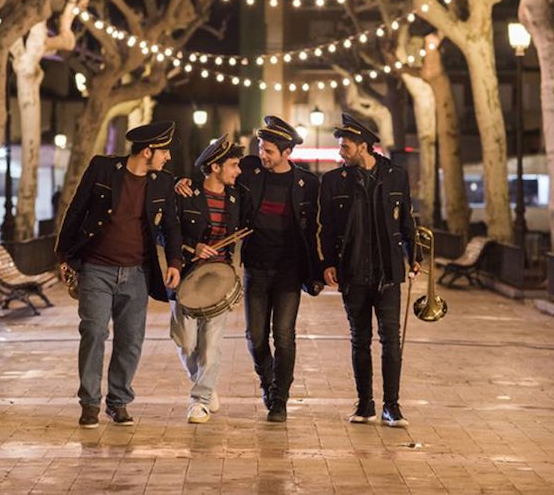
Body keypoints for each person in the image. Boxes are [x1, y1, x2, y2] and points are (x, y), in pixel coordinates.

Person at [180, 116, 322, 422]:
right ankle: (268, 381)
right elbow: (214, 171)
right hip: (256, 267)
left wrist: (320, 269)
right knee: (255, 337)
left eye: (269, 150)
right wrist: (185, 182)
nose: (262, 154)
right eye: (261, 146)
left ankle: (279, 397)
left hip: (289, 270)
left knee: (284, 335)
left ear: (287, 153)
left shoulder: (307, 184)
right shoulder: (250, 172)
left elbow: (316, 230)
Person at [55, 121, 183, 429]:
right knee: (95, 331)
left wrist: (175, 262)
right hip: (96, 267)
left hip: (137, 272)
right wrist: (64, 256)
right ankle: (89, 403)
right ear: (147, 151)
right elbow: (76, 210)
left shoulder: (163, 183)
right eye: (164, 151)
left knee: (130, 340)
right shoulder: (102, 169)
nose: (167, 157)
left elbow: (171, 226)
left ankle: (118, 401)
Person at [317, 114, 421, 428]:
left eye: (345, 147)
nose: (340, 153)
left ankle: (392, 406)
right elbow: (326, 229)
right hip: (353, 272)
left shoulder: (395, 176)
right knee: (359, 340)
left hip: (387, 272)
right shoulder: (334, 181)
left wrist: (413, 255)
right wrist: (327, 263)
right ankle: (365, 405)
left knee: (391, 340)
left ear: (363, 146)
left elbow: (407, 221)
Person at [169, 135, 243, 424]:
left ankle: (200, 400)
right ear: (215, 167)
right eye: (234, 165)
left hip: (219, 278)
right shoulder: (186, 194)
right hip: (187, 276)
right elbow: (168, 232)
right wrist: (192, 247)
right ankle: (204, 382)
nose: (238, 171)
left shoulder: (238, 196)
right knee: (185, 342)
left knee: (211, 347)